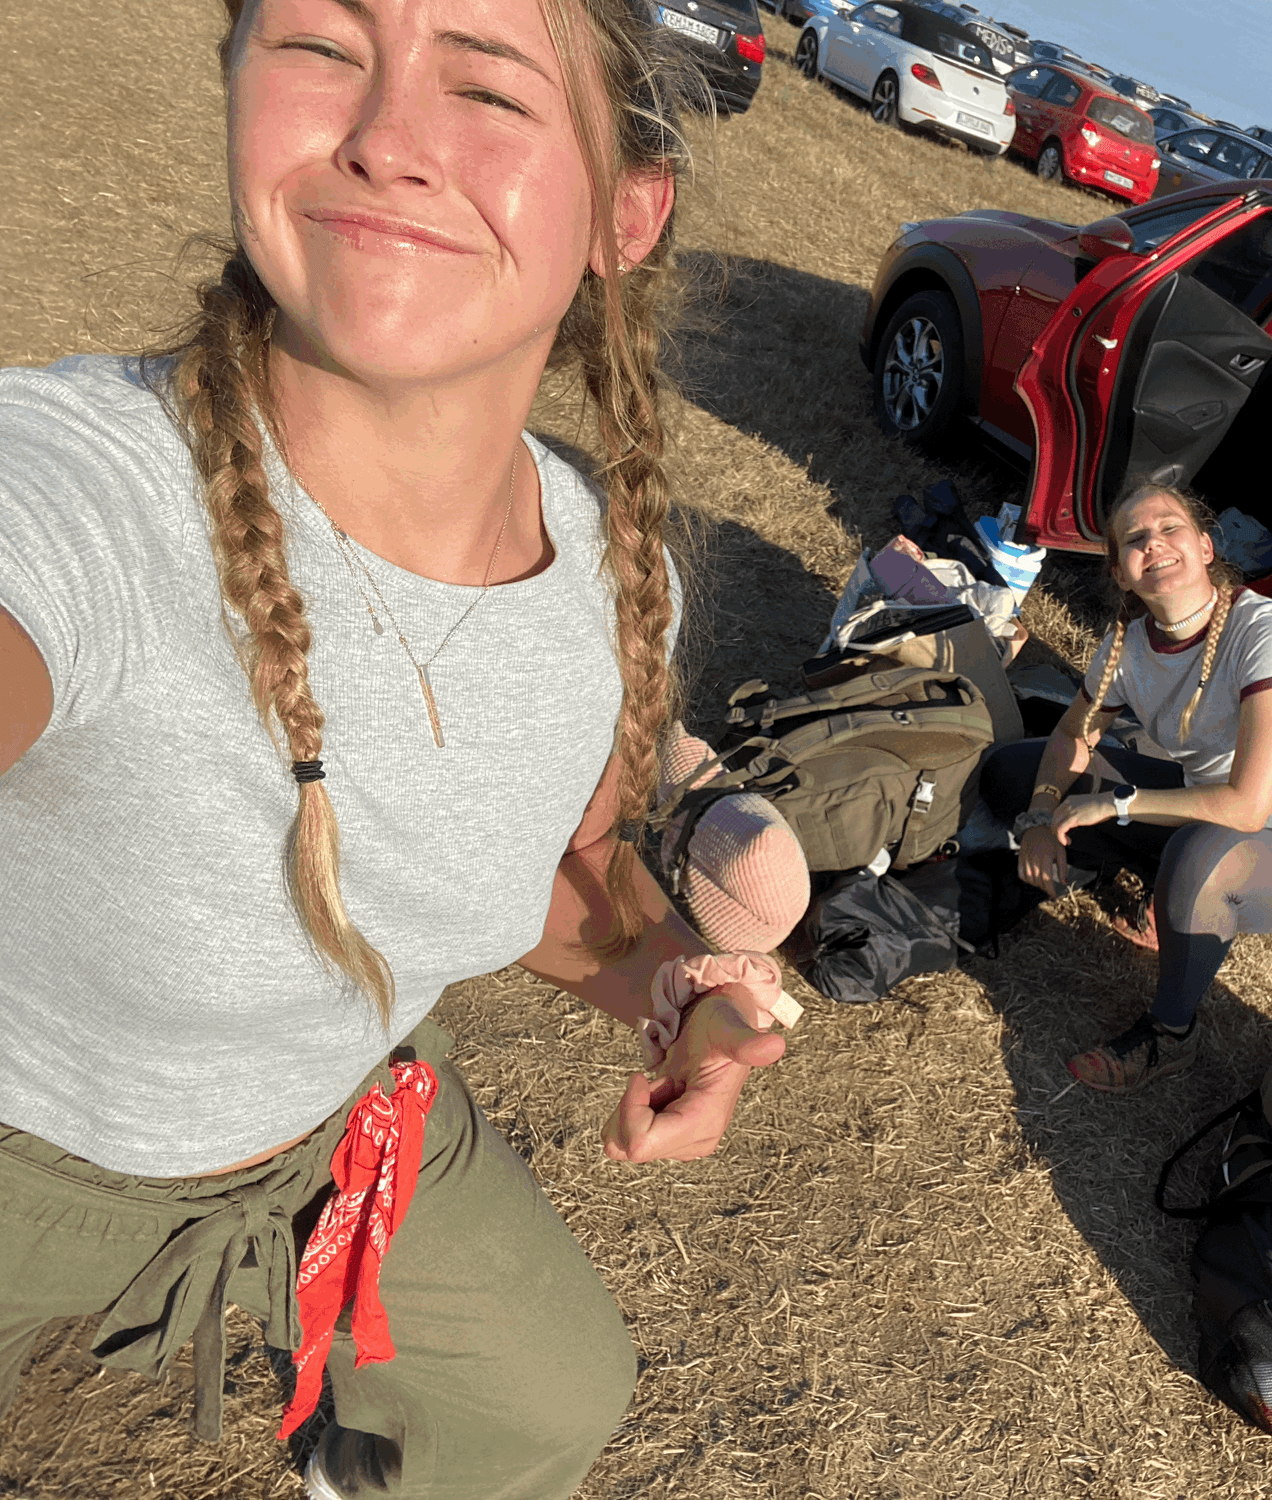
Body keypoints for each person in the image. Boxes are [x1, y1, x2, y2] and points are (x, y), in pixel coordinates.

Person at [0, 2, 801, 1496]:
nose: (384, 139)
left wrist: (662, 981)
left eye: (488, 86)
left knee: (549, 1395)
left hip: (340, 1128)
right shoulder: (75, 487)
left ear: (627, 213)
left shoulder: (616, 582)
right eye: (319, 46)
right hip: (22, 1152)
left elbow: (553, 878)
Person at [982, 483, 1272, 1093]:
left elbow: (1248, 805)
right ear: (1120, 573)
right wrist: (1040, 818)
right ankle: (1161, 889)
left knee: (1197, 854)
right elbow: (1074, 731)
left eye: (1170, 528)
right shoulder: (1129, 643)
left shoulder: (1263, 628)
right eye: (1135, 539)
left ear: (1204, 547)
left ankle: (1170, 1033)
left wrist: (1114, 804)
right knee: (1012, 772)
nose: (1155, 544)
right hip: (1194, 804)